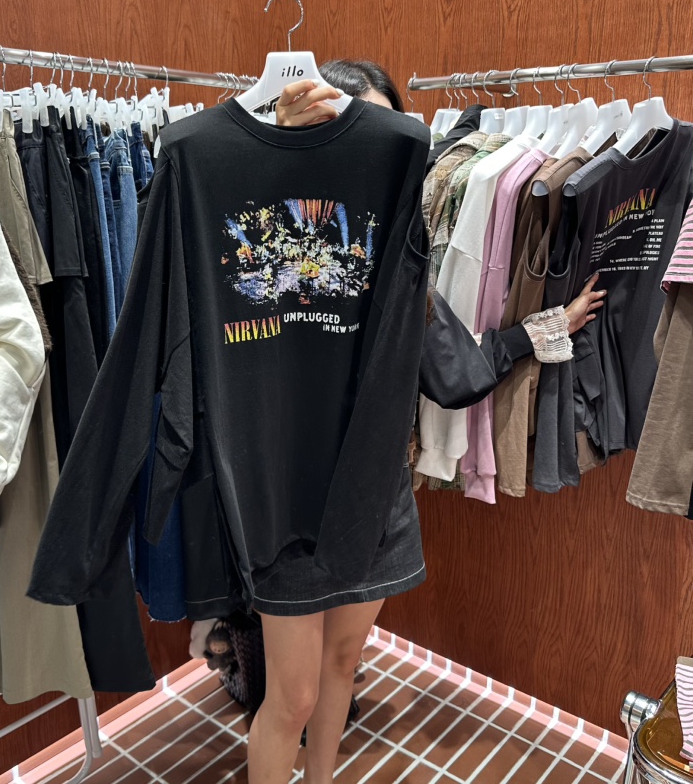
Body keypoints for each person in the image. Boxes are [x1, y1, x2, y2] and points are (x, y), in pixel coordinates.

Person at [244, 59, 605, 784]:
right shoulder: (267, 232)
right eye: (359, 130)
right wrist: (276, 169)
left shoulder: (399, 250)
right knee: (292, 693)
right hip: (287, 499)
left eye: (392, 133)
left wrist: (546, 328)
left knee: (343, 661)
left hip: (378, 495)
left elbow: (452, 370)